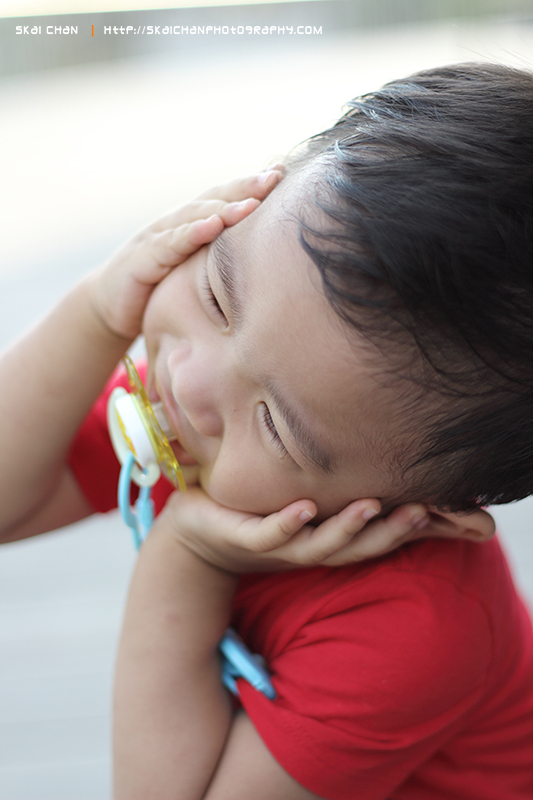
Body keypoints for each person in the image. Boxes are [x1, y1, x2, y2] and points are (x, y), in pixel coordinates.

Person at [1, 61, 531, 799]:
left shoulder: (417, 628)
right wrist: (97, 310)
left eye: (276, 426)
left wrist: (183, 561)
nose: (188, 380)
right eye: (218, 289)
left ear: (432, 514)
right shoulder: (196, 407)